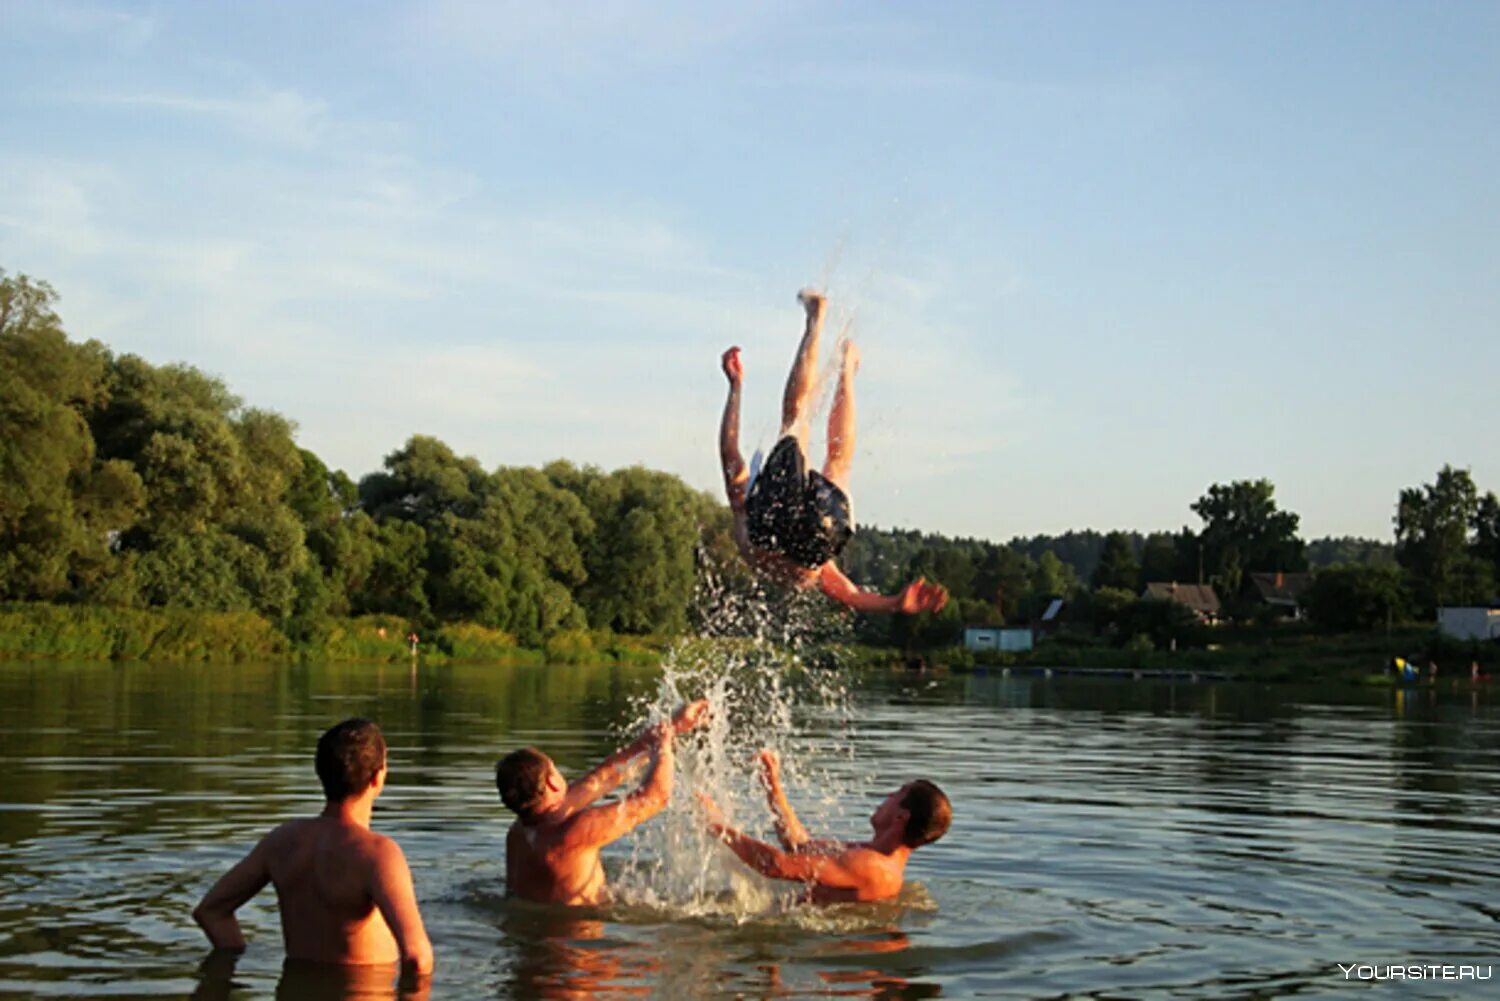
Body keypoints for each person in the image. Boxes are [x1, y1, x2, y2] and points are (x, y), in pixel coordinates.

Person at [719, 289, 948, 615]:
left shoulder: (811, 569)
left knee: (839, 464)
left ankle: (847, 371)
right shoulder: (755, 527)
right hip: (779, 526)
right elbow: (730, 454)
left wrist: (895, 603)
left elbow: (851, 596)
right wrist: (735, 386)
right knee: (796, 420)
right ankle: (815, 322)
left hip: (820, 530)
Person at [191, 718, 434, 978]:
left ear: (321, 773)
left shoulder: (281, 842)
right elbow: (417, 958)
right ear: (377, 777)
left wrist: (232, 967)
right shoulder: (377, 854)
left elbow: (211, 912)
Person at [496, 699, 711, 905]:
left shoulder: (518, 833)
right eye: (555, 768)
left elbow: (603, 778)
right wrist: (663, 748)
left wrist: (674, 726)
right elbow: (655, 797)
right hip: (579, 940)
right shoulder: (573, 833)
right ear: (552, 783)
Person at [697, 749, 951, 903]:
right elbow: (799, 847)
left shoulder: (873, 867)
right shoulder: (873, 856)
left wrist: (718, 826)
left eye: (896, 794)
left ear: (901, 817)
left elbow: (776, 865)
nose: (886, 798)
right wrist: (772, 783)